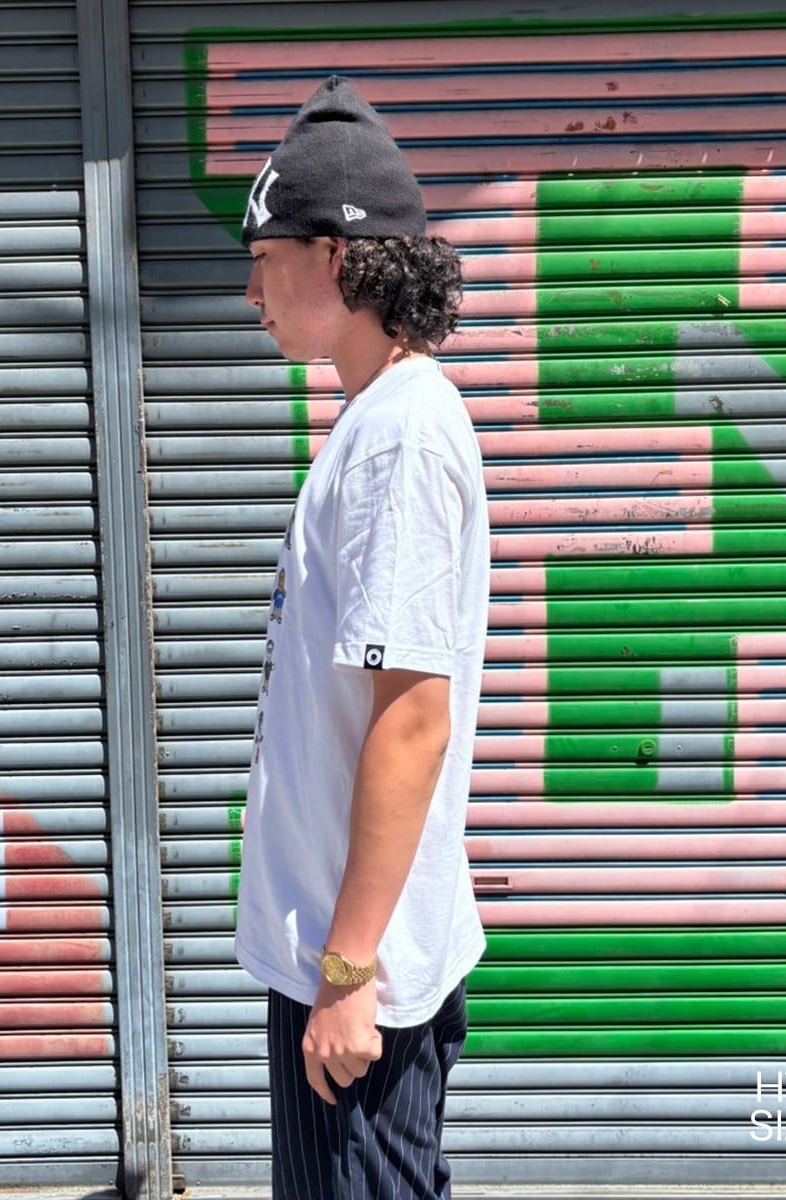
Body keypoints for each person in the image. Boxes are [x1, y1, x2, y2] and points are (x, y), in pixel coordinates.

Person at [233, 75, 490, 1200]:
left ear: (336, 259)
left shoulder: (400, 441)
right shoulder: (374, 421)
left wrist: (347, 973)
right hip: (337, 954)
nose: (251, 290)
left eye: (265, 257)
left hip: (357, 976)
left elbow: (413, 718)